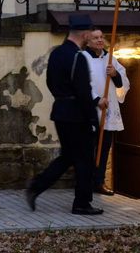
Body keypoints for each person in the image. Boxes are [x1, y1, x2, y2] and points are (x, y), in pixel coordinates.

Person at [26, 13, 105, 215]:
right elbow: (84, 92)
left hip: (61, 111)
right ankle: (82, 203)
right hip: (77, 115)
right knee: (85, 160)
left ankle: (37, 185)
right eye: (89, 33)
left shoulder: (57, 54)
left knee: (68, 156)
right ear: (85, 34)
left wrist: (62, 98)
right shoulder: (78, 57)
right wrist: (93, 119)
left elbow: (50, 82)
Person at [85, 28, 129, 196]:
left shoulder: (111, 59)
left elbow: (122, 83)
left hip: (107, 111)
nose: (99, 40)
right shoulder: (83, 58)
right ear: (88, 41)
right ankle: (85, 182)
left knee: (103, 149)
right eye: (95, 38)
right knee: (89, 149)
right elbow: (81, 84)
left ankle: (99, 181)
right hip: (91, 110)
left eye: (101, 37)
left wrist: (115, 74)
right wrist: (96, 99)